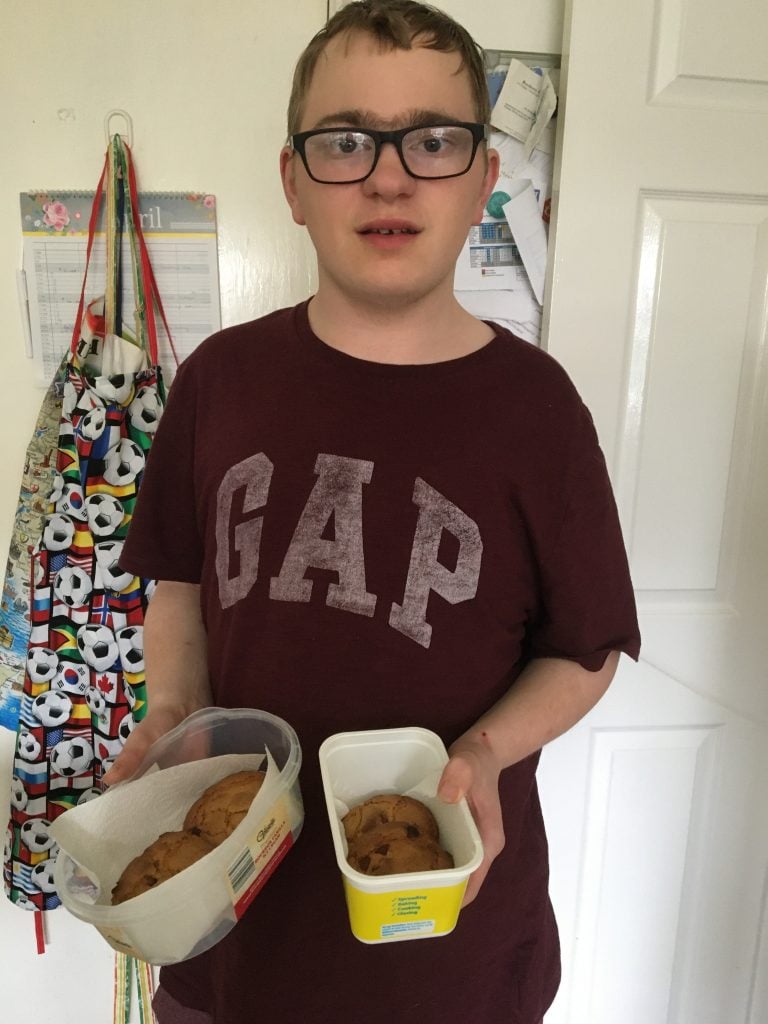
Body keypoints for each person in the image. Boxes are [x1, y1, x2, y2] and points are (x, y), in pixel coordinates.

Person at [109, 3, 640, 1021]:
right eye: (346, 140)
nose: (388, 175)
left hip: (452, 957)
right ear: (295, 182)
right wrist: (176, 711)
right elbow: (180, 583)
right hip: (230, 942)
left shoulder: (539, 411)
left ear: (484, 180)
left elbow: (587, 648)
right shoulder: (220, 381)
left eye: (432, 140)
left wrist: (483, 751)